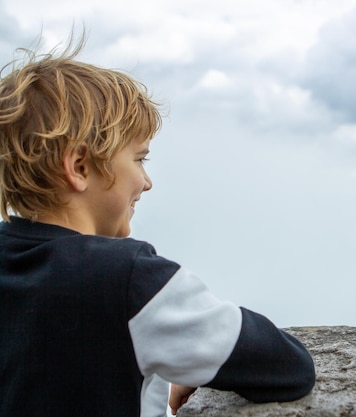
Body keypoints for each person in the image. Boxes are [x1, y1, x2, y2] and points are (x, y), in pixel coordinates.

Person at [0, 36, 315, 417]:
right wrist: (185, 363)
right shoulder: (128, 278)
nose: (146, 182)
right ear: (79, 166)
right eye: (139, 159)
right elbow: (287, 366)